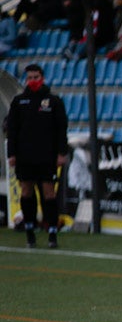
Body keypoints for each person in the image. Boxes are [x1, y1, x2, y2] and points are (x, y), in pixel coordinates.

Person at [5, 64, 69, 249]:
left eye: (36, 77)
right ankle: (30, 232)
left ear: (42, 78)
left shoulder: (54, 101)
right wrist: (12, 154)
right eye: (30, 78)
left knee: (49, 193)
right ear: (26, 80)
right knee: (26, 192)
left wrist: (61, 152)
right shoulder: (19, 102)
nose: (32, 81)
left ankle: (52, 233)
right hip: (25, 156)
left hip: (47, 156)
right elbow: (12, 130)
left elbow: (61, 129)